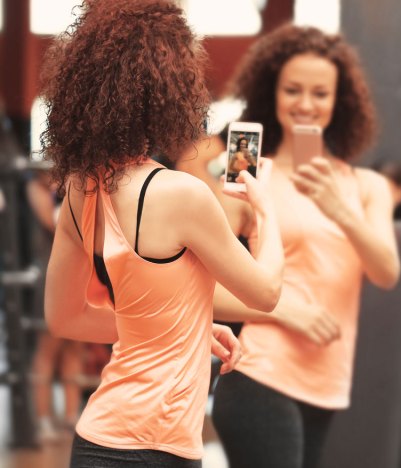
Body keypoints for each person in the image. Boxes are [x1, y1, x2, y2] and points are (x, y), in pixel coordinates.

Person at [40, 1, 283, 466]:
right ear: (168, 86)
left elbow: (65, 318)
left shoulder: (79, 188)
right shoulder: (180, 194)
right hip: (157, 448)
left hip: (96, 441)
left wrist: (180, 331)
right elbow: (266, 292)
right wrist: (266, 209)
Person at [209, 25, 401, 468]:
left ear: (340, 101)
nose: (306, 104)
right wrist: (283, 310)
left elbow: (386, 273)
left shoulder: (366, 185)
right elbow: (199, 285)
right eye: (293, 89)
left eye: (321, 93)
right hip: (260, 374)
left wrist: (340, 209)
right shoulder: (250, 175)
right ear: (272, 93)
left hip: (327, 384)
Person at [27, 170, 84, 442]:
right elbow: (56, 222)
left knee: (75, 346)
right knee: (47, 348)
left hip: (77, 273)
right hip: (49, 275)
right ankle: (42, 419)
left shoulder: (74, 182)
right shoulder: (35, 187)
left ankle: (71, 416)